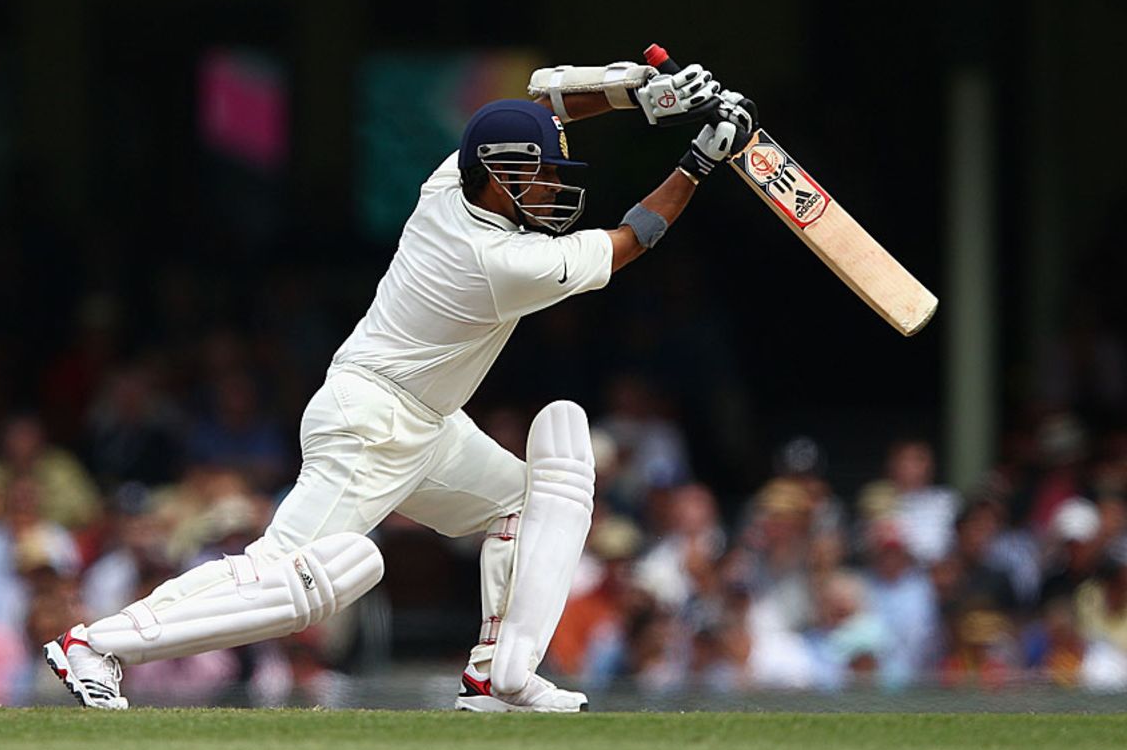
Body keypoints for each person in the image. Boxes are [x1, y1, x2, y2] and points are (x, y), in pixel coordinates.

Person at [43, 55, 757, 712]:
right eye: (540, 173)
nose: (556, 185)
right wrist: (699, 159)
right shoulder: (499, 260)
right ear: (501, 176)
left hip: (426, 424)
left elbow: (546, 98)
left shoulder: (452, 177)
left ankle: (493, 676)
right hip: (372, 422)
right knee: (292, 576)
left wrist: (641, 90)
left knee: (524, 503)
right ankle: (96, 644)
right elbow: (630, 239)